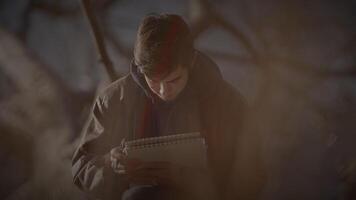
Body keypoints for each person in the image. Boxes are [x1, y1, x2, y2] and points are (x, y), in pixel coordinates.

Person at [72, 13, 265, 200]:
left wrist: (191, 180)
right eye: (153, 81)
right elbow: (82, 166)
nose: (164, 91)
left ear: (191, 62)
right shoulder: (114, 100)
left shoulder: (227, 103)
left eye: (173, 80)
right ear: (140, 69)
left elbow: (251, 177)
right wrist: (110, 165)